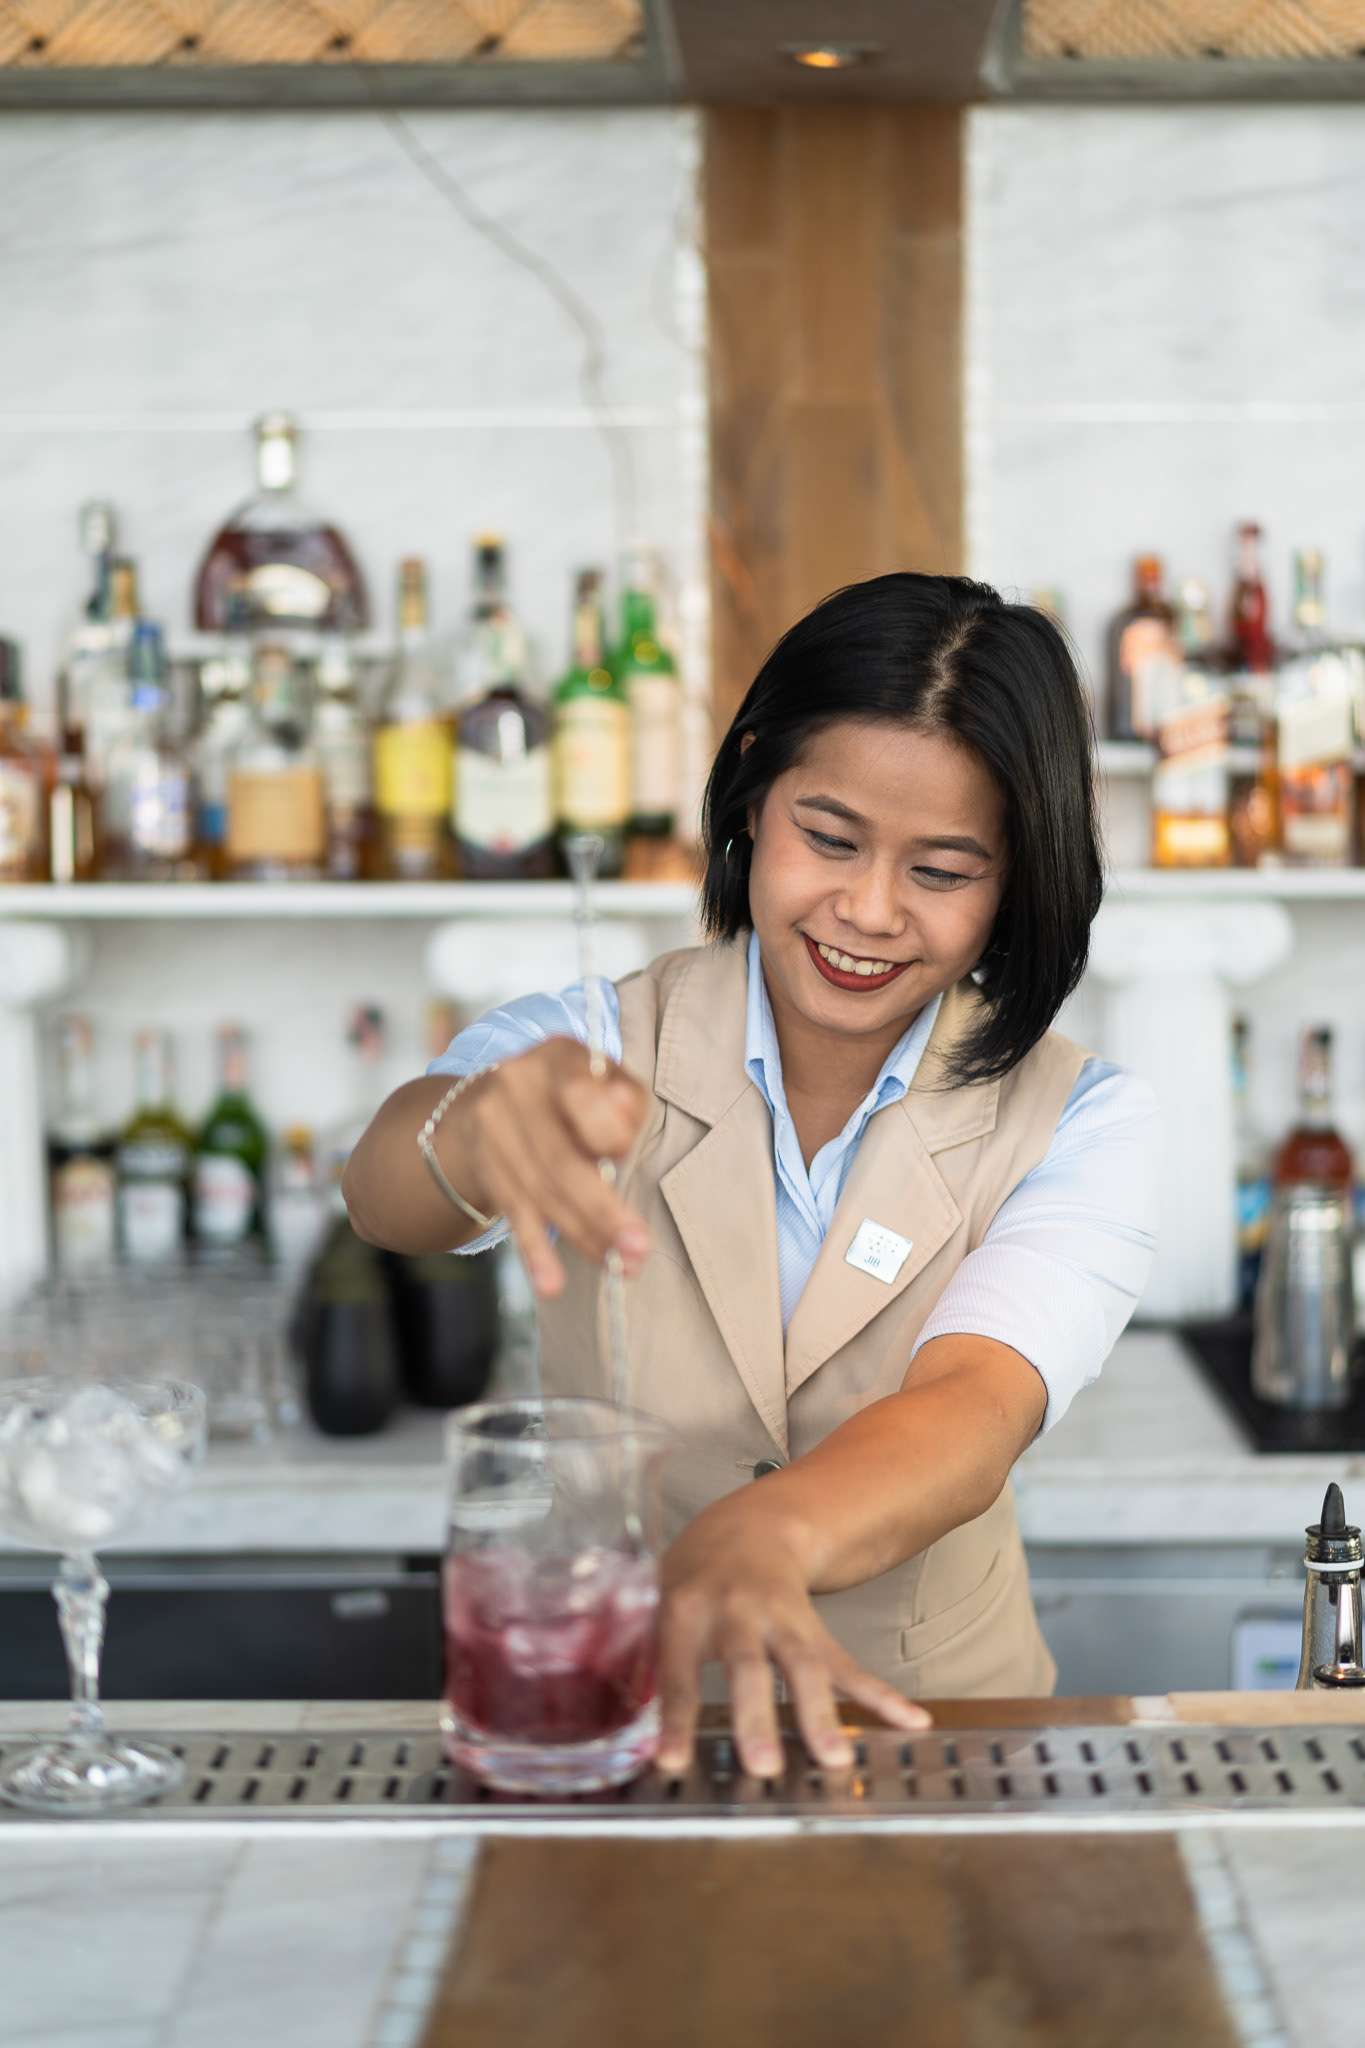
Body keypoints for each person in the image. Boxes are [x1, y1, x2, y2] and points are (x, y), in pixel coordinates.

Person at [343, 572, 1161, 1779]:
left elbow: (975, 1404)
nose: (867, 908)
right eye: (827, 837)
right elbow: (383, 1193)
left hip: (938, 1748)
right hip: (609, 1726)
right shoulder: (597, 1041)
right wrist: (468, 1133)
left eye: (941, 870)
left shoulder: (1084, 1118)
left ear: (1016, 883)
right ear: (751, 804)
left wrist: (766, 1528)